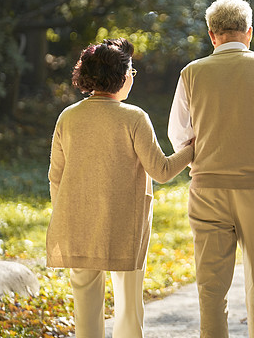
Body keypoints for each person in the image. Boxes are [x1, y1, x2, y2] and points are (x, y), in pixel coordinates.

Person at [168, 0, 254, 338]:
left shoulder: (192, 73)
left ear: (212, 35)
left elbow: (179, 136)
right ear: (249, 33)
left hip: (207, 191)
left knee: (211, 290)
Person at [46, 38, 195, 338]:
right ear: (121, 76)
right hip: (124, 224)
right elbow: (162, 170)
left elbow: (55, 178)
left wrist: (69, 212)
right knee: (128, 305)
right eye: (131, 71)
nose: (132, 77)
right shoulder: (134, 118)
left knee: (85, 310)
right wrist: (192, 150)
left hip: (78, 224)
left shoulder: (68, 117)